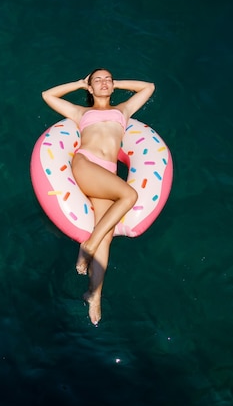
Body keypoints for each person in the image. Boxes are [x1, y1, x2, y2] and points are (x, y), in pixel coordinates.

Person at [41, 68, 155, 325]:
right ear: (90, 89)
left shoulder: (123, 110)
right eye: (97, 80)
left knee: (107, 238)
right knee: (129, 194)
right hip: (86, 164)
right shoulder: (82, 113)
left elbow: (148, 86)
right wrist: (79, 83)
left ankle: (94, 295)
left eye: (108, 79)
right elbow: (48, 95)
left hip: (107, 174)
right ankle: (88, 245)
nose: (103, 83)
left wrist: (115, 83)